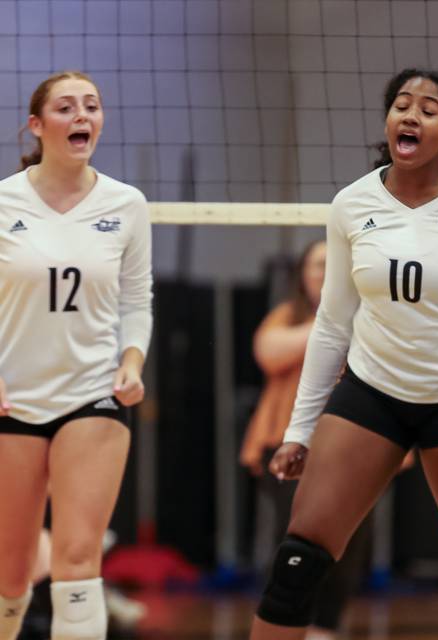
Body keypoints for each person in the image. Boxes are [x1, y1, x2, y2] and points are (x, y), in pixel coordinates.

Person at [248, 68, 438, 640]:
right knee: (297, 562)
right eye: (401, 106)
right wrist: (298, 432)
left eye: (428, 110)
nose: (410, 116)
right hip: (373, 394)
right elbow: (332, 325)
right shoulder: (352, 205)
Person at [0, 71, 152, 640]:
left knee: (78, 559)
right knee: (11, 573)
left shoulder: (126, 204)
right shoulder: (3, 202)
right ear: (38, 126)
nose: (82, 116)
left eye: (91, 106)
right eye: (66, 108)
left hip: (93, 394)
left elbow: (138, 299)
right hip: (14, 398)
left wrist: (131, 361)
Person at [240, 240, 374, 640]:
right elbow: (268, 353)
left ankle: (325, 629)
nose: (324, 271)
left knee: (347, 542)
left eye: (333, 265)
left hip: (355, 446)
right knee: (296, 538)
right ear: (302, 274)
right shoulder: (287, 315)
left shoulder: (371, 315)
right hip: (287, 445)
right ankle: (286, 625)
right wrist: (331, 320)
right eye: (317, 264)